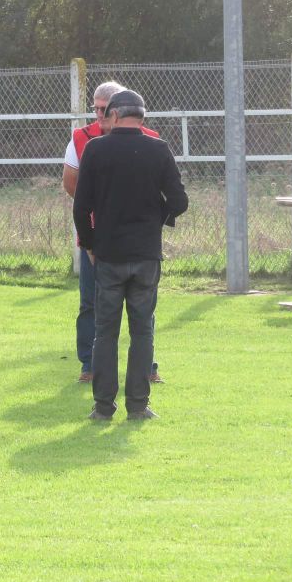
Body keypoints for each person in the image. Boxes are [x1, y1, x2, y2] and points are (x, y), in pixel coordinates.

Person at [73, 90, 188, 421]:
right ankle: (138, 406)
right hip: (146, 255)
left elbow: (81, 207)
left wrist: (90, 244)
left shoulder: (96, 149)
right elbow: (180, 201)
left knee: (105, 332)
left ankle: (103, 408)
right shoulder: (159, 149)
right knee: (142, 331)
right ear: (142, 118)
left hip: (108, 255)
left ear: (112, 116)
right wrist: (158, 219)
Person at [62, 82, 164, 384]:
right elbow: (71, 185)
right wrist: (96, 217)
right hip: (96, 238)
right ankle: (89, 365)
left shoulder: (151, 141)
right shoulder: (81, 140)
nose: (98, 114)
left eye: (104, 108)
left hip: (138, 242)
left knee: (142, 311)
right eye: (94, 107)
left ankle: (147, 367)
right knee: (90, 303)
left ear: (118, 110)